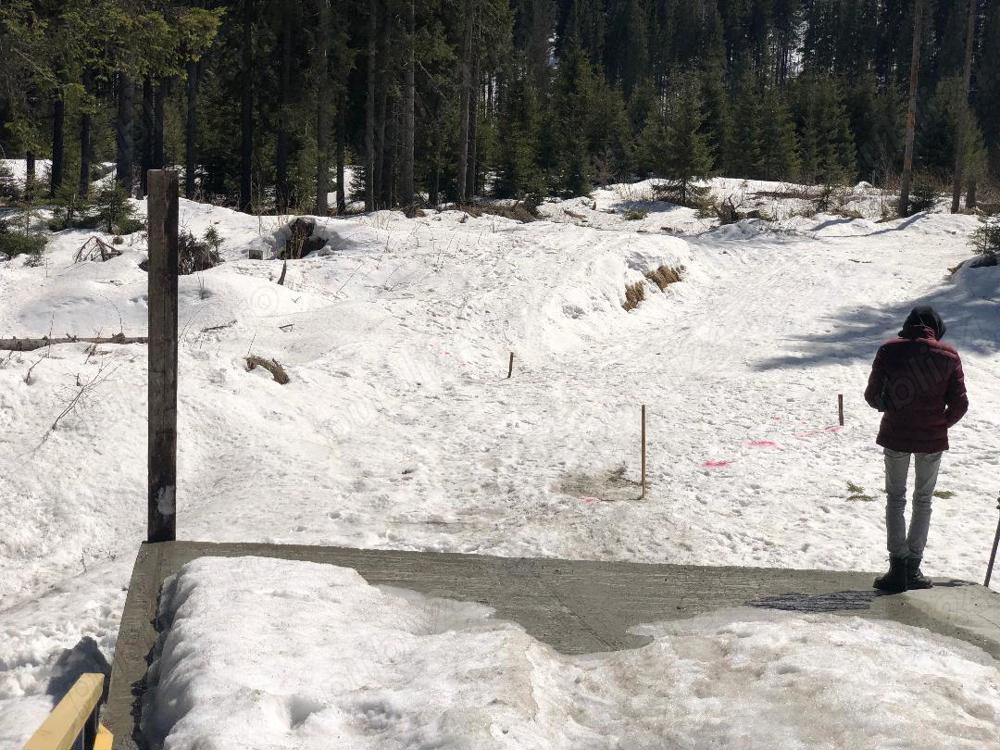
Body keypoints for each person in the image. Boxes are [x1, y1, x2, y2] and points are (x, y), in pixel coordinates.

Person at [864, 306, 968, 593]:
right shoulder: (948, 356)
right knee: (923, 500)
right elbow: (960, 404)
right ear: (936, 327)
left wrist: (890, 406)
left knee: (895, 498)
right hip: (932, 440)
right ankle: (914, 568)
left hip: (896, 435)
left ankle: (897, 568)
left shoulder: (889, 350)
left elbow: (872, 396)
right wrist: (938, 424)